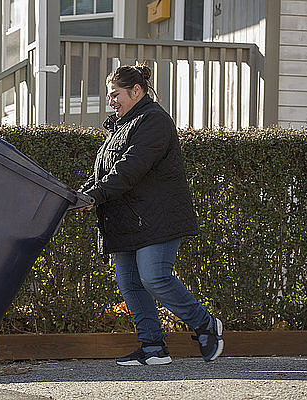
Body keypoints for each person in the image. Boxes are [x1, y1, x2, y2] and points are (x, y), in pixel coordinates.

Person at [78, 64, 223, 365]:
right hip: (127, 220)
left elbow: (131, 168)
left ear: (137, 91)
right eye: (109, 96)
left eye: (115, 94)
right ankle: (153, 347)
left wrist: (96, 194)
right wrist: (82, 194)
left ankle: (205, 324)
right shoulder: (119, 128)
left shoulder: (154, 121)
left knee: (154, 276)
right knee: (130, 283)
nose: (111, 101)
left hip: (158, 219)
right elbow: (106, 172)